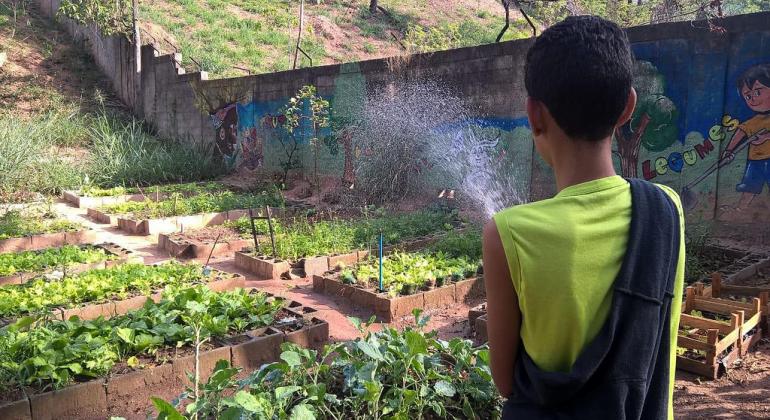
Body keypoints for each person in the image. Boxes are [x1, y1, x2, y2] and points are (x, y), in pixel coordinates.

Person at [482, 16, 685, 419]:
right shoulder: (666, 210)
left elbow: (505, 382)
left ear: (534, 115)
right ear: (628, 106)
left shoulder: (507, 232)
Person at [721, 63, 770, 210]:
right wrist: (728, 151)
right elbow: (740, 133)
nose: (753, 100)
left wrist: (767, 137)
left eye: (757, 93)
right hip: (755, 162)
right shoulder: (754, 122)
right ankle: (740, 209)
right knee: (749, 186)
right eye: (748, 96)